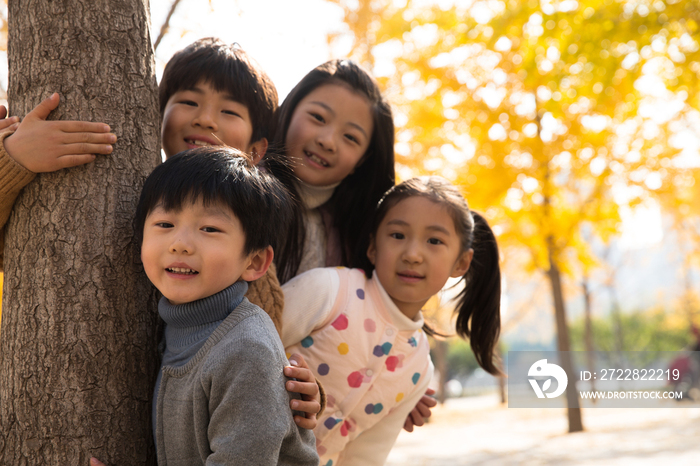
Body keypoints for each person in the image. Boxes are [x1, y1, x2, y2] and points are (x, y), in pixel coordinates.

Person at [0, 37, 322, 426]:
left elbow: (259, 358)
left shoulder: (246, 252)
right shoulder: (124, 187)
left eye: (229, 110)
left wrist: (298, 392)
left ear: (255, 150)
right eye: (189, 102)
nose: (205, 118)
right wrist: (14, 159)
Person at [279, 176, 503, 465]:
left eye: (434, 241)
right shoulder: (330, 291)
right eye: (397, 235)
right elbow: (246, 344)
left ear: (460, 263)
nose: (412, 255)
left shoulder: (419, 367)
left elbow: (366, 456)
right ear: (373, 246)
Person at [131, 146, 318, 465]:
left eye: (210, 229)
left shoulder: (245, 350)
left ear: (255, 260)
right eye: (165, 224)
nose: (180, 243)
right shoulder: (179, 326)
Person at [262, 59, 395, 284]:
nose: (327, 141)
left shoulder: (358, 238)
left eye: (350, 137)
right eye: (318, 117)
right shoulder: (235, 191)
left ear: (362, 160)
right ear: (291, 109)